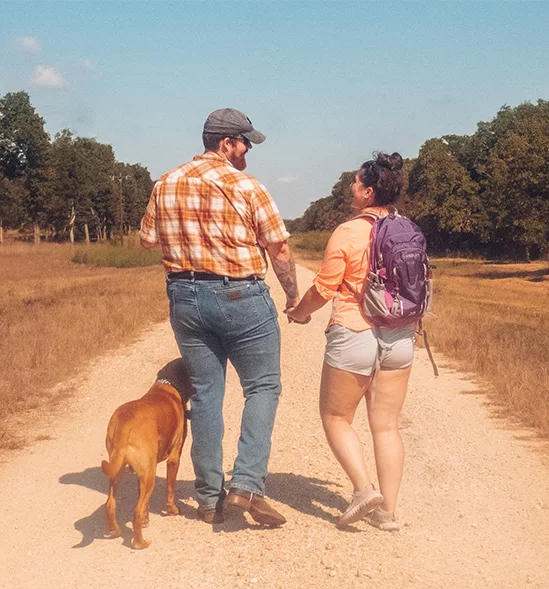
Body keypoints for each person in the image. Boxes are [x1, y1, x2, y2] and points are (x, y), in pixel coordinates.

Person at [139, 108, 299, 527]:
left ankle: (210, 499)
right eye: (245, 142)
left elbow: (147, 241)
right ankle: (246, 485)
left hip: (184, 296)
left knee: (207, 394)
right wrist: (293, 296)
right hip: (240, 293)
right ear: (226, 143)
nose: (248, 150)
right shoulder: (247, 185)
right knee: (262, 386)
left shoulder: (166, 182)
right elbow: (279, 249)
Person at [287, 152, 413, 531]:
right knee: (387, 426)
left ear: (367, 192)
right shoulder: (407, 228)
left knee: (336, 416)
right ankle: (388, 513)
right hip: (400, 336)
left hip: (355, 333)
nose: (350, 187)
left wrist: (299, 312)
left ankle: (363, 490)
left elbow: (325, 288)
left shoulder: (348, 231)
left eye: (356, 183)